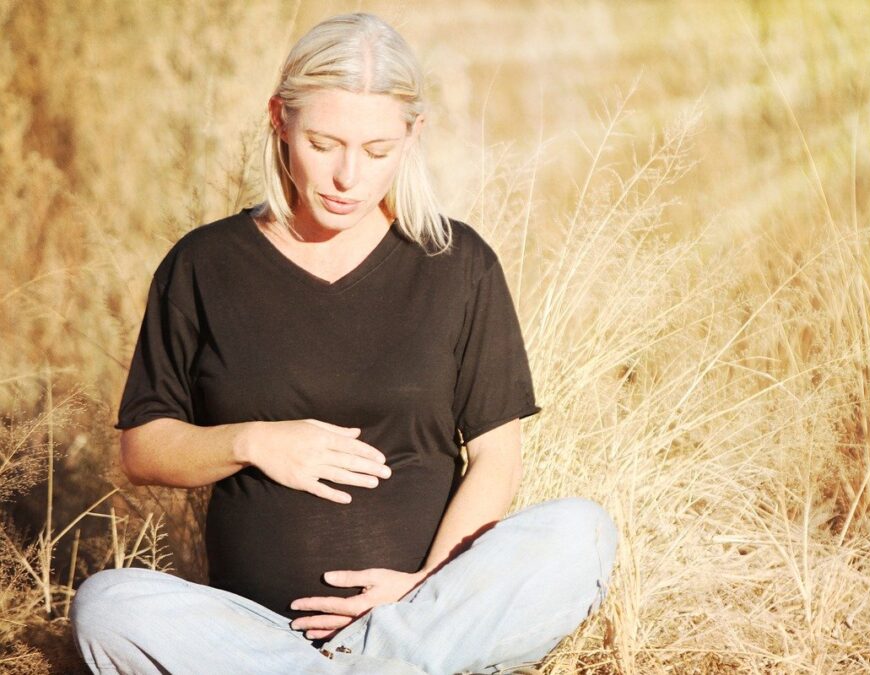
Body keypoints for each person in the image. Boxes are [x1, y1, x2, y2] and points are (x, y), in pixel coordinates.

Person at [70, 12, 618, 675]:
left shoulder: (458, 262)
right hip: (255, 629)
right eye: (325, 143)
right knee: (107, 606)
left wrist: (420, 585)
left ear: (413, 135)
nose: (347, 177)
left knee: (581, 533)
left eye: (377, 150)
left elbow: (496, 457)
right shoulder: (204, 264)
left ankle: (379, 658)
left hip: (420, 611)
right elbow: (143, 446)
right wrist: (254, 441)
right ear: (280, 119)